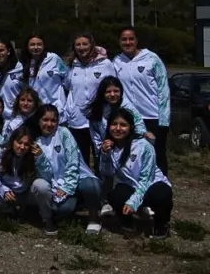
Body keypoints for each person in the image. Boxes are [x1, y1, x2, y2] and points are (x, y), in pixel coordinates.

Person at [99, 108, 173, 238]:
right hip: (130, 186)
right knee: (115, 195)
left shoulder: (144, 146)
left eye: (123, 125)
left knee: (162, 194)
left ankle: (161, 224)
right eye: (114, 124)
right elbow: (107, 173)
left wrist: (133, 202)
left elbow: (146, 179)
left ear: (131, 127)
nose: (118, 128)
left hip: (151, 185)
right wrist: (104, 154)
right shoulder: (111, 147)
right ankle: (127, 223)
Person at [33, 104, 102, 235]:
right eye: (45, 120)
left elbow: (73, 160)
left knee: (91, 186)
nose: (49, 124)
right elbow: (47, 175)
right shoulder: (37, 142)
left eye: (53, 120)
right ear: (39, 121)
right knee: (63, 210)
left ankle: (94, 218)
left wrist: (68, 187)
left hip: (78, 177)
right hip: (58, 184)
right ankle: (78, 202)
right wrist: (40, 157)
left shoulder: (63, 132)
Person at [112, 27, 170, 175]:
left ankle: (160, 190)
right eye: (124, 39)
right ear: (119, 42)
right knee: (132, 156)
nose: (128, 42)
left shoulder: (152, 59)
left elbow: (163, 89)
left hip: (152, 117)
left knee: (157, 156)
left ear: (137, 40)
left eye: (131, 38)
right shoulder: (116, 61)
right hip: (129, 118)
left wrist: (163, 120)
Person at [63, 33, 115, 166]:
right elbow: (68, 87)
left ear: (92, 45)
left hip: (99, 118)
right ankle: (84, 185)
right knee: (81, 159)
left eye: (85, 44)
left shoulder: (105, 64)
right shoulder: (71, 66)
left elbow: (113, 88)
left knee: (102, 157)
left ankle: (104, 185)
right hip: (77, 120)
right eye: (78, 44)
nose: (81, 47)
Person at [0, 126, 53, 222]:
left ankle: (47, 219)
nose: (22, 147)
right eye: (19, 143)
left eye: (26, 144)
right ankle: (11, 211)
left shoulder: (35, 155)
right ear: (12, 141)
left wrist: (41, 158)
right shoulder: (1, 153)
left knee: (42, 185)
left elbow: (48, 177)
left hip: (27, 193)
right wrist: (3, 190)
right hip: (9, 193)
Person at [87, 76, 149, 160]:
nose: (112, 94)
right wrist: (102, 149)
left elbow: (140, 128)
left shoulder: (129, 108)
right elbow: (94, 133)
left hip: (128, 152)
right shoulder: (97, 110)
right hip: (105, 151)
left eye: (116, 91)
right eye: (108, 92)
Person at [22, 35, 67, 115]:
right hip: (37, 112)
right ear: (27, 47)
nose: (35, 47)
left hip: (57, 110)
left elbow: (67, 78)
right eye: (32, 44)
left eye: (39, 44)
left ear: (44, 46)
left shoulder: (54, 58)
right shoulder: (25, 64)